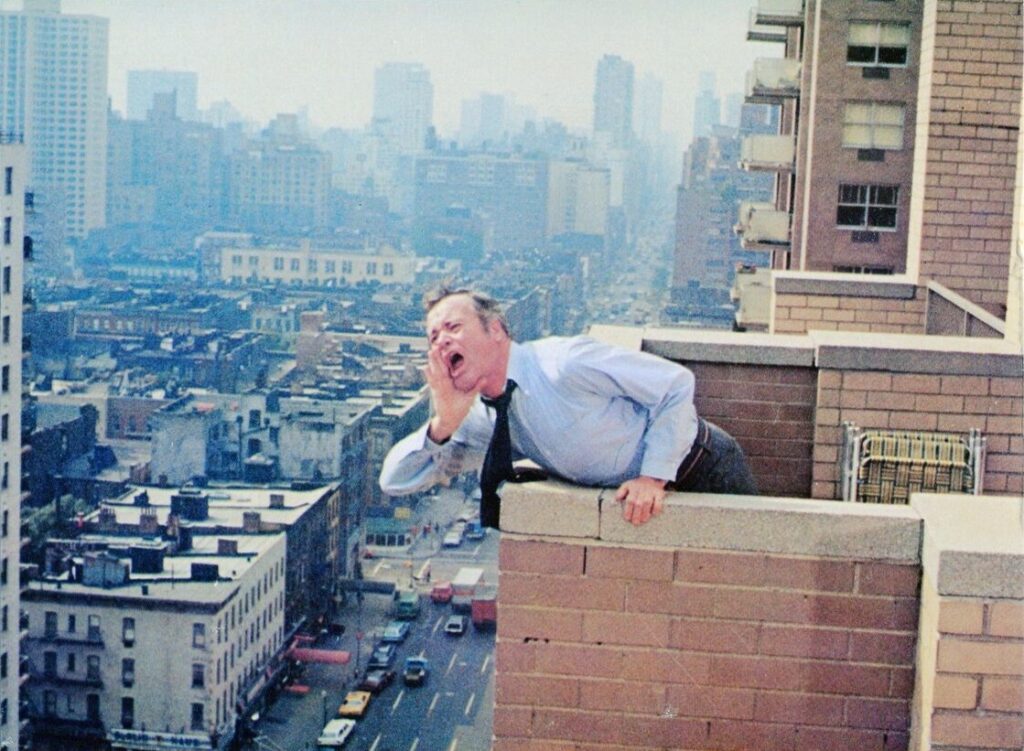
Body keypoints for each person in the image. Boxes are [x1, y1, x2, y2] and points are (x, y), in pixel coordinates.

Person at [379, 286, 758, 527]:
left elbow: (675, 384)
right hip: (636, 505)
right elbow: (395, 481)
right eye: (433, 337)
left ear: (496, 330)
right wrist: (443, 425)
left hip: (702, 466)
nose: (441, 342)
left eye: (453, 328)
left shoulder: (564, 363)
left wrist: (652, 478)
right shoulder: (481, 418)